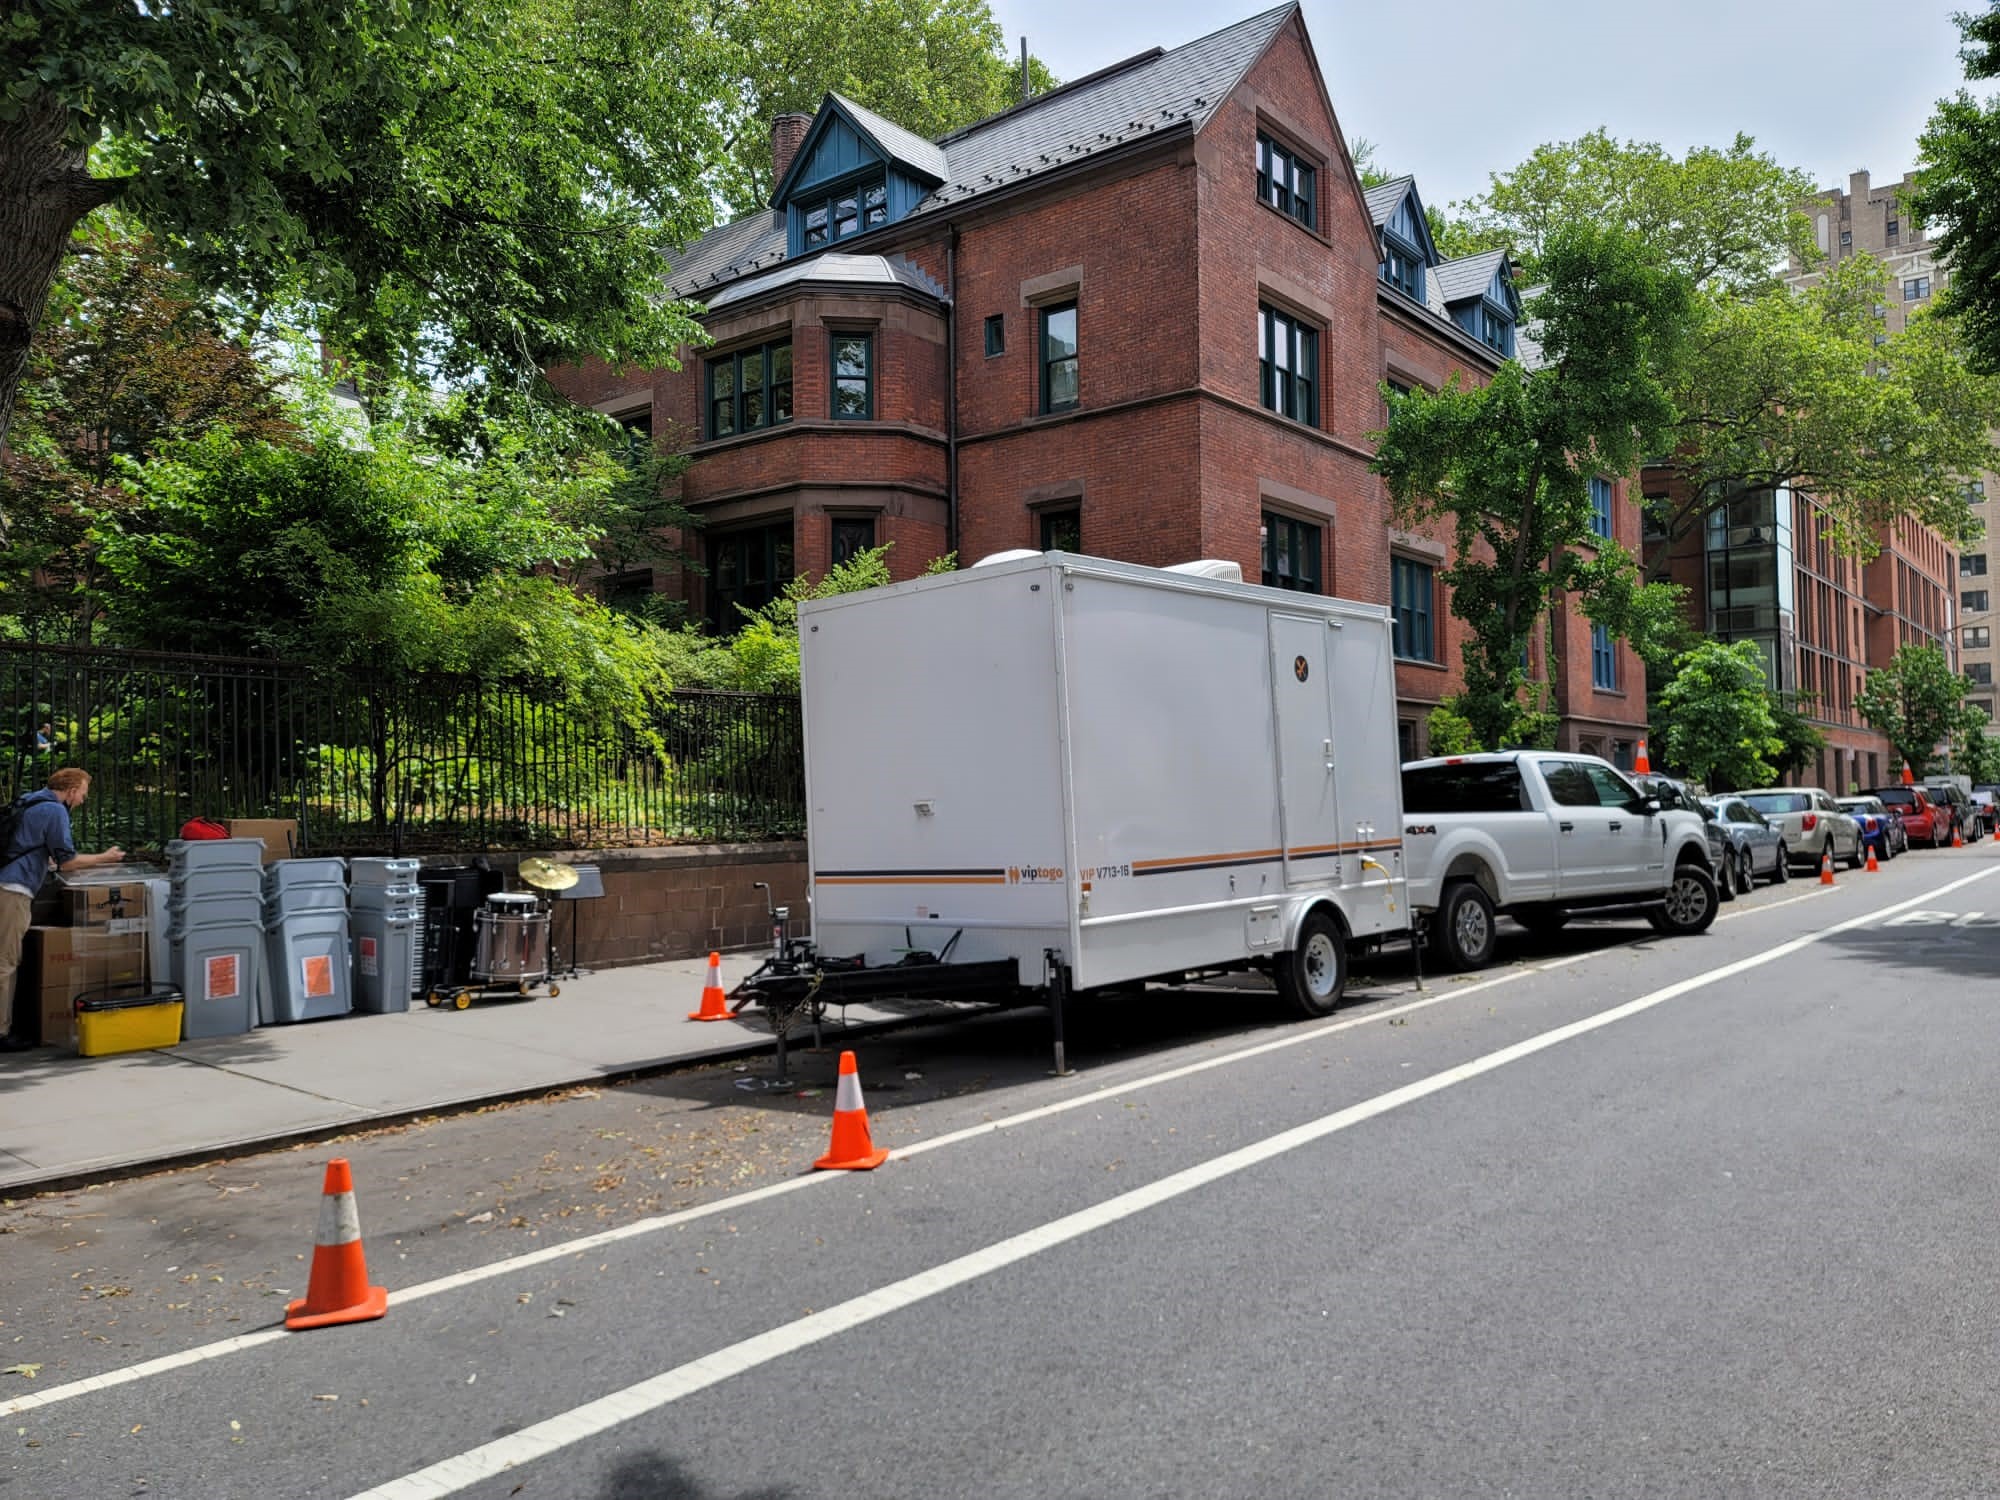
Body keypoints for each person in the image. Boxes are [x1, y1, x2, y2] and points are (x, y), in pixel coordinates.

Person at [1, 768, 124, 1052]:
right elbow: (67, 862)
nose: (82, 799)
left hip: (4, 882)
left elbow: (26, 845)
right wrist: (104, 858)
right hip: (13, 889)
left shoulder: (28, 801)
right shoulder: (55, 810)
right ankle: (1, 1033)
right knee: (5, 961)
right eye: (83, 793)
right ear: (70, 790)